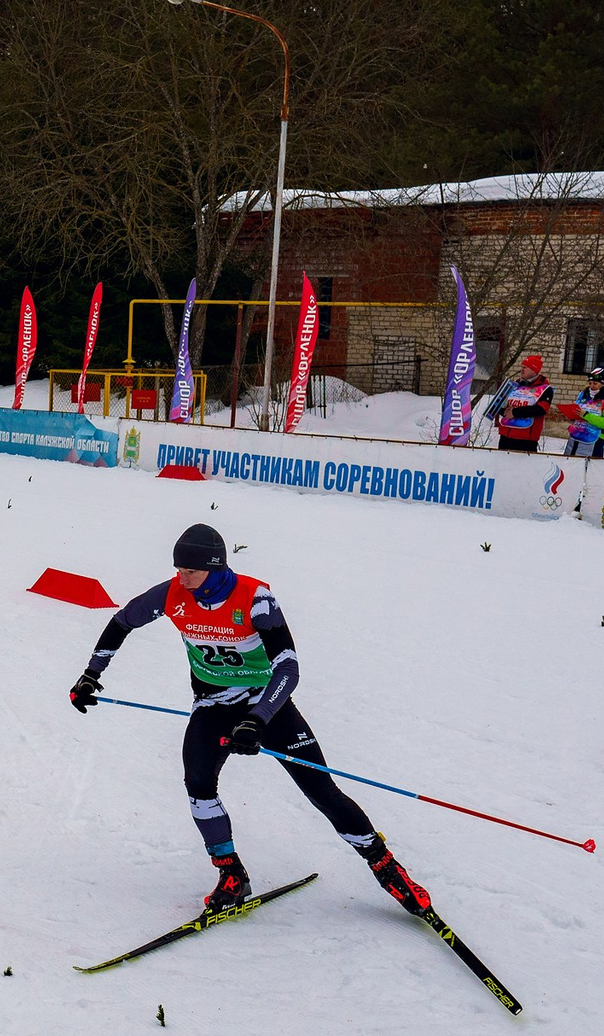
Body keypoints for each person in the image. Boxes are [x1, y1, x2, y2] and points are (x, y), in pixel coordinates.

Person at [65, 522, 433, 916]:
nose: (182, 578)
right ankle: (231, 873)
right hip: (213, 705)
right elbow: (122, 622)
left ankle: (387, 868)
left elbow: (288, 668)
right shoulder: (172, 594)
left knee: (322, 790)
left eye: (191, 571)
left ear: (215, 567)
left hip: (268, 705)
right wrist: (91, 674)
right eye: (179, 570)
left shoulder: (255, 599)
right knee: (198, 786)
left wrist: (258, 719)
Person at [495, 355, 555, 452]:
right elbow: (501, 404)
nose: (522, 370)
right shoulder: (515, 385)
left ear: (534, 370)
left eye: (525, 367)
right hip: (505, 435)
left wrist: (515, 412)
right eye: (522, 367)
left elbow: (541, 410)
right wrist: (504, 411)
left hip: (526, 439)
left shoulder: (545, 389)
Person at [561, 367, 604, 459]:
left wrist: (586, 415)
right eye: (590, 383)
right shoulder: (583, 395)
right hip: (575, 438)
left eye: (595, 383)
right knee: (568, 463)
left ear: (603, 384)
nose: (592, 386)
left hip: (595, 440)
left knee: (587, 466)